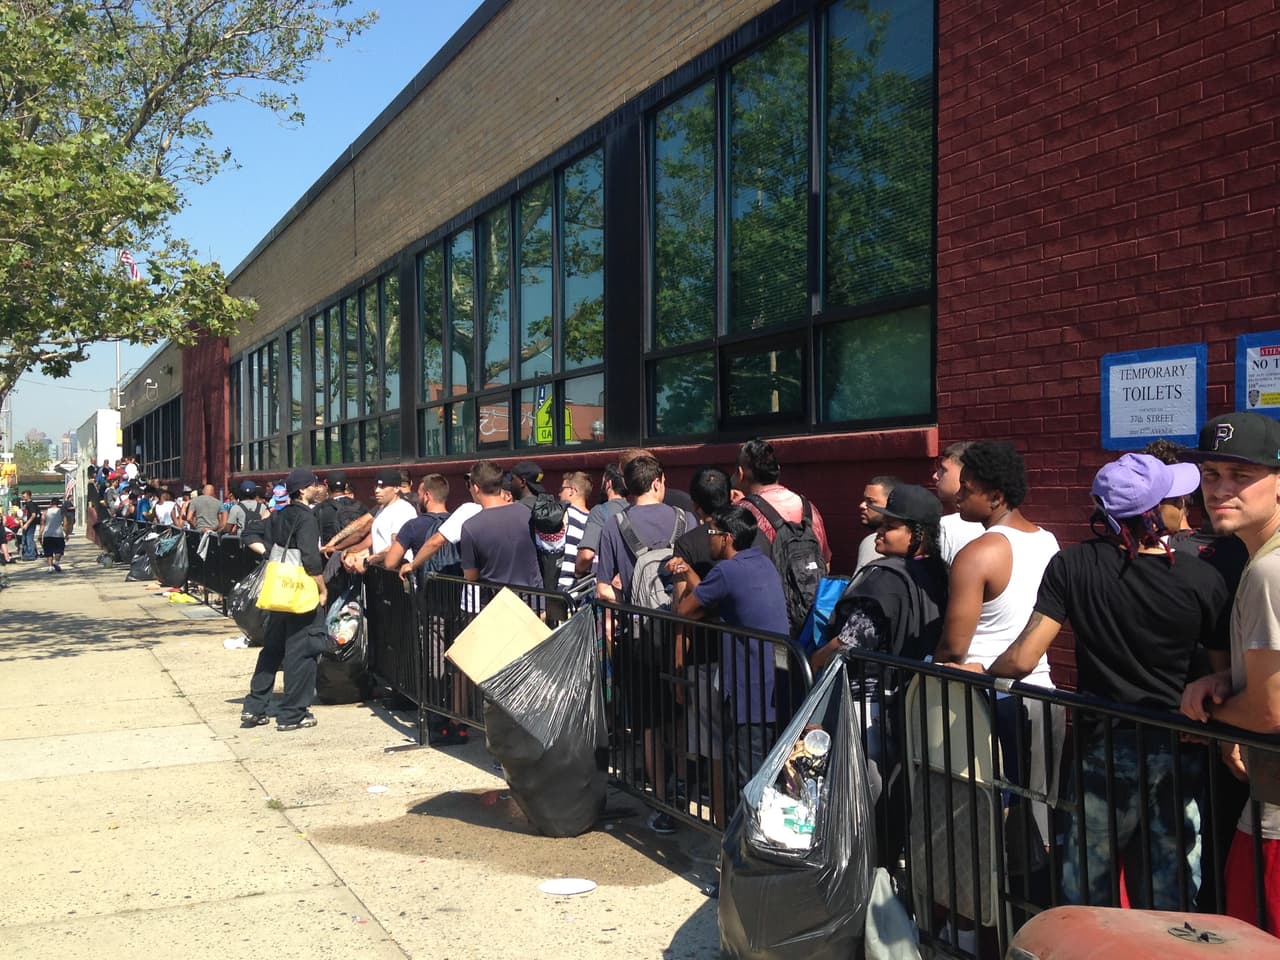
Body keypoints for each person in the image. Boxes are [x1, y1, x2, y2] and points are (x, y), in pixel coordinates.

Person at [981, 454, 1227, 909]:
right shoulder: (1203, 578)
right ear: (1153, 512)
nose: (1186, 503)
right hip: (1180, 746)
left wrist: (982, 671)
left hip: (1103, 749)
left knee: (1086, 884)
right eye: (1176, 497)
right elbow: (1221, 672)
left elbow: (1023, 657)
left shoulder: (1072, 566)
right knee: (1170, 889)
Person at [1180, 412, 1280, 933]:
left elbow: (1268, 711)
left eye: (1242, 476)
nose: (1220, 490)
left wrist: (1209, 714)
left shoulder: (1268, 570)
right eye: (1212, 474)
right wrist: (1227, 680)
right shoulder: (1260, 558)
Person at [596, 454, 697, 834]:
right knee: (680, 714)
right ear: (659, 482)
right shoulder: (685, 520)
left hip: (637, 636)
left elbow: (604, 586)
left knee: (650, 723)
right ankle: (686, 784)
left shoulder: (613, 524)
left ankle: (663, 804)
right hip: (680, 635)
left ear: (627, 487)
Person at [670, 505, 788, 815]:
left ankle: (749, 852)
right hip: (776, 686)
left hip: (748, 691)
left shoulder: (726, 571)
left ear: (727, 538)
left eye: (712, 532)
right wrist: (690, 573)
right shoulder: (763, 563)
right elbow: (712, 595)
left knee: (746, 778)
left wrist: (687, 586)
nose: (708, 538)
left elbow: (684, 610)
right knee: (765, 772)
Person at [239, 468, 327, 732]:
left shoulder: (277, 515)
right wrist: (322, 589)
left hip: (278, 590)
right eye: (313, 485)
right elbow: (311, 559)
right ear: (302, 490)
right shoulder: (307, 518)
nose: (317, 488)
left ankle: (254, 707)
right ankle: (293, 714)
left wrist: (268, 553)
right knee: (302, 652)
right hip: (300, 593)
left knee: (273, 649)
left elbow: (248, 535)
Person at [458, 460, 541, 589]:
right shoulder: (527, 512)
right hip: (533, 600)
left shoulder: (470, 527)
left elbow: (471, 576)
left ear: (476, 488)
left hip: (497, 603)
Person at [933, 441, 985, 564]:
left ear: (965, 473)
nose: (935, 476)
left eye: (943, 470)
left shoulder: (945, 527)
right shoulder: (1030, 531)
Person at [574, 463, 627, 577]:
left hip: (603, 582)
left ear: (609, 483)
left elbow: (587, 555)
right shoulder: (633, 510)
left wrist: (578, 570)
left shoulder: (600, 511)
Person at [363, 468, 418, 571]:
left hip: (397, 573)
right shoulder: (382, 510)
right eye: (376, 486)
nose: (377, 490)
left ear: (396, 488)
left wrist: (368, 561)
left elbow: (397, 546)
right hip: (382, 572)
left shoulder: (402, 509)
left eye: (382, 486)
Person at [854, 476, 897, 573]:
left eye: (870, 501)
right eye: (864, 500)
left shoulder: (875, 542)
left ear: (891, 503)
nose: (862, 505)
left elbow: (860, 587)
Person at [558, 471, 592, 590]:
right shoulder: (594, 519)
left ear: (572, 491)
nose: (559, 494)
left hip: (562, 588)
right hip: (582, 589)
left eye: (562, 489)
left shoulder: (565, 514)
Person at [39, 498, 67, 572]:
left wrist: (40, 534)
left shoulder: (45, 512)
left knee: (48, 551)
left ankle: (50, 567)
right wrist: (67, 534)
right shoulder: (61, 512)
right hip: (58, 534)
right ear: (58, 503)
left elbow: (42, 524)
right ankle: (56, 562)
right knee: (59, 550)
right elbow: (65, 524)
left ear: (51, 503)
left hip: (48, 534)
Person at [19, 490, 38, 560]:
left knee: (29, 539)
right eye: (22, 495)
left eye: (24, 495)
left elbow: (33, 515)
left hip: (30, 525)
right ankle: (26, 554)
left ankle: (31, 555)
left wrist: (27, 524)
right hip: (24, 524)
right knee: (25, 540)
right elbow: (22, 515)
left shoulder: (31, 504)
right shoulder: (25, 504)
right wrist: (21, 523)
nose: (23, 496)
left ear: (28, 495)